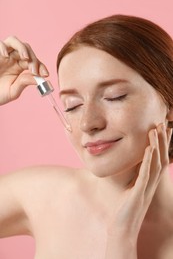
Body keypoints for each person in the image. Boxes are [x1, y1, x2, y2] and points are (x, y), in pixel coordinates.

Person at [0, 14, 173, 259]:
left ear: (169, 103)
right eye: (72, 105)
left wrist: (121, 238)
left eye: (114, 96)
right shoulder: (44, 196)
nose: (87, 123)